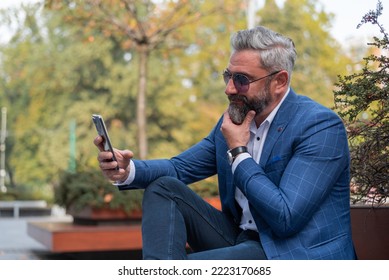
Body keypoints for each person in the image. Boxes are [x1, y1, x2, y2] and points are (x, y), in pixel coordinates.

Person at [94, 25, 356, 260]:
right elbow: (179, 168)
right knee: (164, 189)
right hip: (243, 239)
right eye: (228, 76)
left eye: (241, 80)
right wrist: (127, 171)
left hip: (292, 253)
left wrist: (239, 153)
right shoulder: (235, 121)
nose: (229, 89)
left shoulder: (319, 126)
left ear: (279, 81)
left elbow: (285, 217)